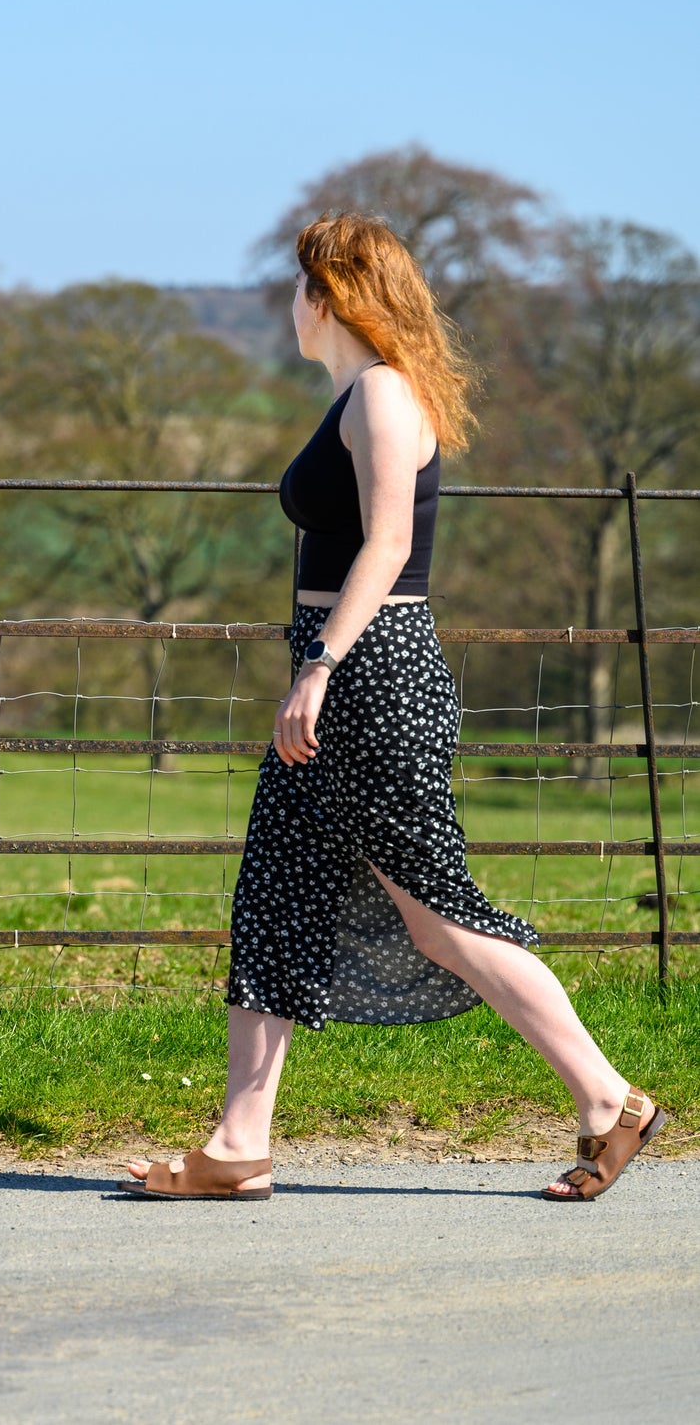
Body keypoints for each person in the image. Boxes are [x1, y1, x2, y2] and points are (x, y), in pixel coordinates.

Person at [121, 213, 665, 1203]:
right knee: (275, 898)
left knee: (438, 916)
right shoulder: (362, 394)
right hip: (343, 672)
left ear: (325, 300)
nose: (289, 307)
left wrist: (321, 664)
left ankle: (610, 1098)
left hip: (370, 677)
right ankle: (240, 1144)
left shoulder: (377, 394)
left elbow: (382, 545)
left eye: (297, 289)